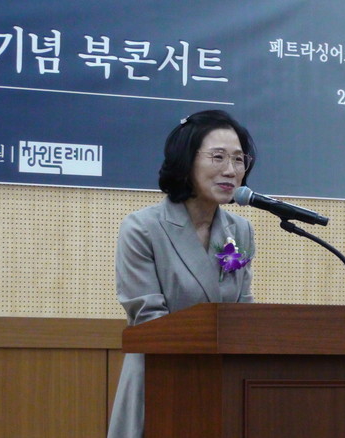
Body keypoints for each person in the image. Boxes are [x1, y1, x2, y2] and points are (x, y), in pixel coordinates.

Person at [107, 109, 257, 438]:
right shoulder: (143, 228)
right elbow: (149, 321)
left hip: (225, 385)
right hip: (163, 381)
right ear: (186, 161)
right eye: (218, 157)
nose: (231, 170)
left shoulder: (240, 230)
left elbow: (243, 313)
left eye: (238, 159)